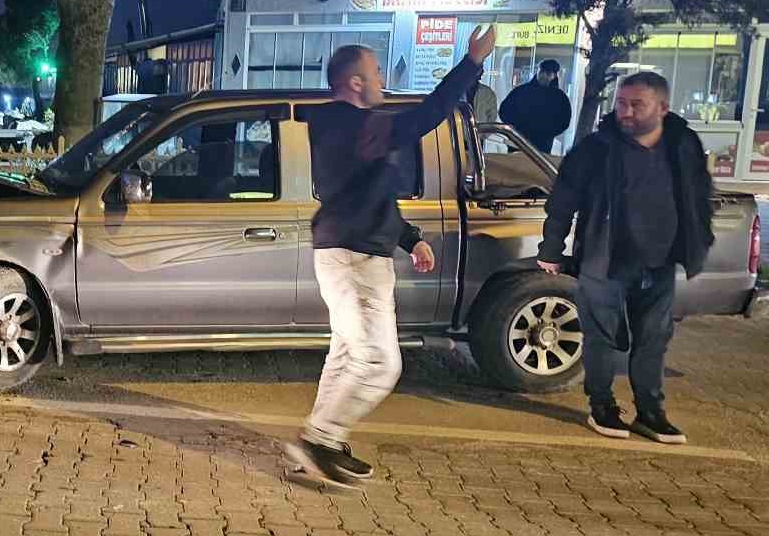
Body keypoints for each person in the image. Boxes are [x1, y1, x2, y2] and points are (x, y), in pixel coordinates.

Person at [286, 25, 496, 487]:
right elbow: (428, 115)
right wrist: (472, 62)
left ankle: (325, 443)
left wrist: (410, 238)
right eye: (376, 72)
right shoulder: (355, 125)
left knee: (346, 356)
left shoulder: (350, 130)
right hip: (355, 259)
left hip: (357, 252)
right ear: (355, 83)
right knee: (381, 362)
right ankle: (319, 438)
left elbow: (369, 195)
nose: (382, 80)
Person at [537, 72, 713, 446]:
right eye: (621, 103)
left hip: (660, 262)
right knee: (601, 338)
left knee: (653, 340)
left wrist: (700, 243)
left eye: (637, 105)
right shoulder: (596, 148)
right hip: (605, 259)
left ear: (662, 108)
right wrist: (551, 249)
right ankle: (602, 405)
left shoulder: (683, 145)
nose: (626, 112)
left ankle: (651, 412)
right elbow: (563, 199)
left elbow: (698, 197)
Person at [500, 59, 573, 153]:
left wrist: (548, 133)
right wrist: (515, 129)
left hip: (542, 145)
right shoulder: (521, 91)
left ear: (554, 75)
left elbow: (564, 120)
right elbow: (504, 111)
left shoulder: (560, 98)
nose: (544, 76)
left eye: (548, 73)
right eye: (541, 72)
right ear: (537, 72)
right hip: (518, 142)